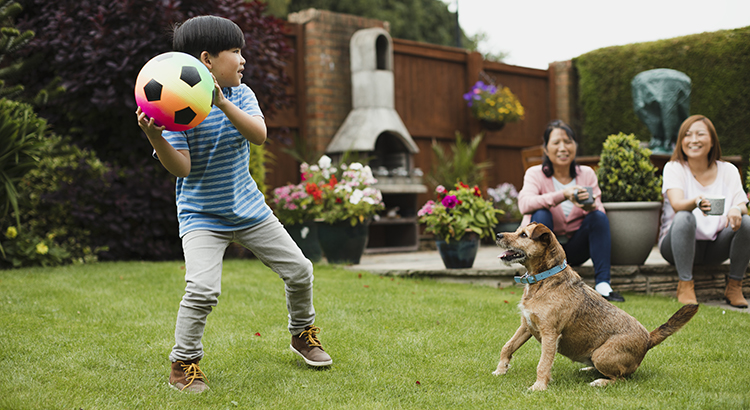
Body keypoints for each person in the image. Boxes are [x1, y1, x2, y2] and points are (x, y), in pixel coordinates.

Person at [136, 16, 332, 393]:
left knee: (300, 270)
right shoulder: (176, 106)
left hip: (249, 210)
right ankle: (184, 362)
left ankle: (302, 333)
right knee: (202, 289)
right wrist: (155, 138)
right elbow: (182, 169)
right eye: (236, 51)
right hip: (202, 217)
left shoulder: (242, 95)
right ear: (206, 60)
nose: (243, 59)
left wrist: (223, 103)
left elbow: (258, 136)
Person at [517, 120, 624, 302]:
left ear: (575, 145)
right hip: (545, 251)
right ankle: (542, 282)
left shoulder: (587, 173)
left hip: (576, 248)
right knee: (540, 216)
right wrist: (563, 195)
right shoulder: (535, 174)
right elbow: (525, 204)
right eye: (556, 142)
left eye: (568, 142)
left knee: (597, 217)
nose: (563, 148)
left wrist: (590, 207)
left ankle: (603, 285)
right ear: (545, 148)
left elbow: (600, 210)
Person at [658, 114, 750, 307]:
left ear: (712, 140)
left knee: (747, 222)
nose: (693, 140)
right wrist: (696, 201)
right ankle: (685, 284)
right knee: (684, 217)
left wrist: (735, 209)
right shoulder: (673, 168)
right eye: (687, 135)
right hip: (676, 246)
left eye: (700, 134)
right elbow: (677, 204)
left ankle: (734, 285)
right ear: (681, 140)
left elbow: (741, 203)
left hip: (714, 246)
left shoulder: (729, 170)